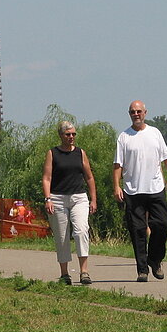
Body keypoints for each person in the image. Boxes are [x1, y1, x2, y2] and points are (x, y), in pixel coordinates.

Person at [113, 100, 167, 282]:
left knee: (162, 224)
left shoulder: (154, 133)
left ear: (145, 113)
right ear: (129, 114)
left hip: (155, 188)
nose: (136, 114)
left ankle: (155, 260)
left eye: (139, 111)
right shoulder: (124, 137)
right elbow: (118, 164)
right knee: (137, 230)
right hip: (133, 191)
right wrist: (116, 186)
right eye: (133, 112)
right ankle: (142, 270)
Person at [42, 121, 97, 285]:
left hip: (79, 197)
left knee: (81, 231)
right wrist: (48, 198)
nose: (71, 137)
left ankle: (84, 271)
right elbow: (46, 178)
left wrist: (93, 199)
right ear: (61, 135)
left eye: (73, 134)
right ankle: (65, 273)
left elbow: (89, 177)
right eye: (68, 134)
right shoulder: (53, 153)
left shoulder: (80, 153)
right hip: (57, 198)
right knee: (62, 236)